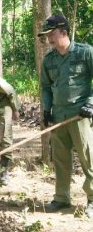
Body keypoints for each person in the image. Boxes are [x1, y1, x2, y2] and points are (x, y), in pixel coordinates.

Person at [39, 15, 93, 217]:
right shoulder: (49, 60)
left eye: (51, 34)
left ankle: (92, 199)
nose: (49, 40)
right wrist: (46, 109)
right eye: (46, 36)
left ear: (63, 31)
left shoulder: (85, 53)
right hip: (58, 116)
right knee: (60, 158)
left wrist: (90, 104)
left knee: (88, 157)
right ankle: (62, 198)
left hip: (80, 115)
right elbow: (45, 87)